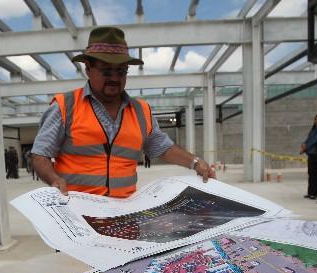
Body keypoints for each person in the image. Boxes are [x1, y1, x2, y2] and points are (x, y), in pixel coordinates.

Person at [31, 26, 215, 198]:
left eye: (121, 71)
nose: (114, 78)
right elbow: (40, 155)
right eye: (106, 71)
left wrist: (195, 162)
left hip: (123, 218)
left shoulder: (141, 112)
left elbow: (164, 148)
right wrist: (54, 180)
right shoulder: (65, 106)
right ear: (88, 68)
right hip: (77, 215)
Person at [300, 113, 317, 200]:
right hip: (311, 154)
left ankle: (316, 193)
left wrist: (305, 147)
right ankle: (310, 192)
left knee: (315, 174)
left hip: (316, 154)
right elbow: (309, 139)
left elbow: (315, 140)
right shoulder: (314, 129)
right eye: (316, 119)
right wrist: (303, 144)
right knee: (311, 173)